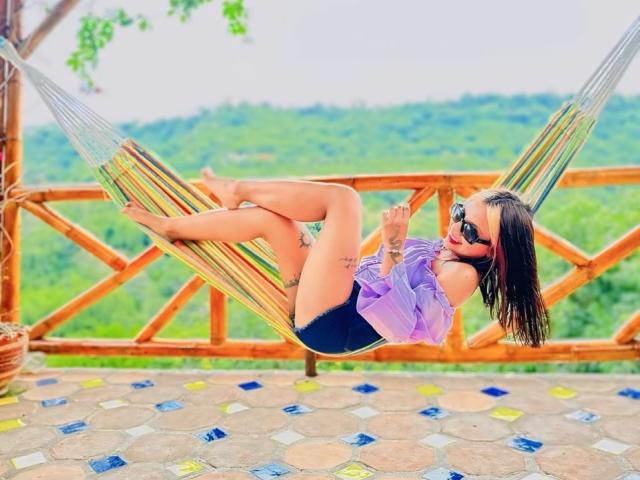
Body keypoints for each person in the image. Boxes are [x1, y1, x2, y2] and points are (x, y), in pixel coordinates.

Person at [121, 168, 550, 354]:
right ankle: (172, 227)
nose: (457, 228)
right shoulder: (452, 251)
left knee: (343, 200)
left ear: (493, 252)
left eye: (471, 232)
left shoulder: (461, 275)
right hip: (323, 303)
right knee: (275, 222)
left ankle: (237, 189)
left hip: (334, 322)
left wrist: (394, 246)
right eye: (460, 213)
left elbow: (399, 325)